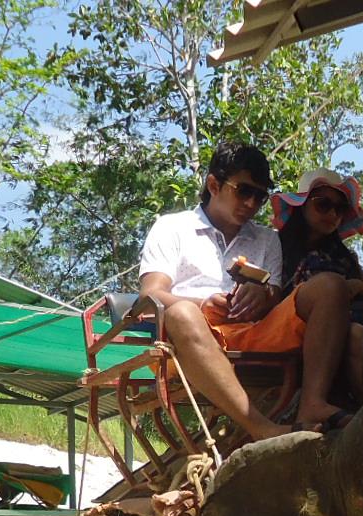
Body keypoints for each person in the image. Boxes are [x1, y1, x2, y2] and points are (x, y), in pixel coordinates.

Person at [138, 141, 323, 443]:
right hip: (188, 341)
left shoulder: (268, 239)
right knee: (183, 313)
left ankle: (314, 404)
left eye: (260, 196)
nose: (251, 203)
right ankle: (260, 426)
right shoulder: (172, 227)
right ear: (214, 185)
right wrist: (203, 305)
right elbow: (151, 295)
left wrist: (263, 296)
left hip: (252, 336)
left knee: (328, 286)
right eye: (244, 191)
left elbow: (275, 297)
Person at [269, 169, 363, 430]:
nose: (332, 214)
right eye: (323, 204)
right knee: (354, 334)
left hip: (354, 323)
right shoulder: (275, 246)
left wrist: (355, 287)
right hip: (297, 327)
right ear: (301, 206)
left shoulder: (345, 257)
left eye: (340, 208)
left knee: (358, 333)